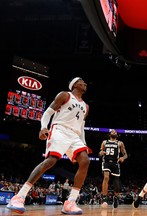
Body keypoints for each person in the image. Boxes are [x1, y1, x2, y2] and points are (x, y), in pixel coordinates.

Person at [6, 77, 91, 215]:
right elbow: (48, 112)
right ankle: (19, 197)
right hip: (60, 130)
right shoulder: (65, 95)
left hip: (75, 136)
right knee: (50, 161)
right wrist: (43, 127)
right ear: (74, 84)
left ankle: (70, 203)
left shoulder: (86, 106)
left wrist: (84, 143)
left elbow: (81, 127)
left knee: (85, 161)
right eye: (82, 81)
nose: (85, 83)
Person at [99, 129, 128, 209]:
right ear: (109, 134)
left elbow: (125, 155)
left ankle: (116, 198)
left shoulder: (120, 143)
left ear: (117, 135)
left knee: (116, 183)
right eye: (112, 131)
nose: (114, 132)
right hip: (106, 162)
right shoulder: (104, 142)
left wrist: (123, 158)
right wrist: (101, 153)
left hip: (115, 164)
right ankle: (104, 198)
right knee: (106, 177)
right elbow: (100, 153)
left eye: (115, 132)